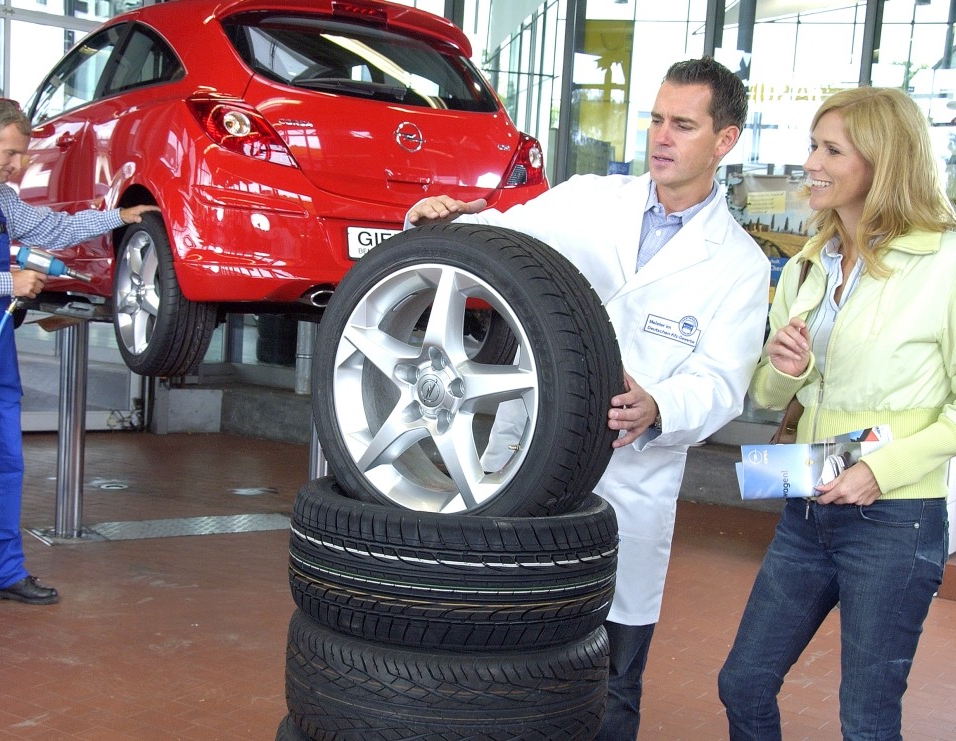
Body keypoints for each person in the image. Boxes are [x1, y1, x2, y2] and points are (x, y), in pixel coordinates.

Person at [406, 57, 771, 739]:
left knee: (611, 680)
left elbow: (722, 383)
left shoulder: (739, 265)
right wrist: (437, 221)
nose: (661, 136)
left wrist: (660, 405)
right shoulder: (587, 200)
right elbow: (493, 237)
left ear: (725, 140)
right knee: (498, 657)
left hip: (629, 482)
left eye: (683, 124)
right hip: (525, 460)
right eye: (656, 119)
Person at [718, 87, 955, 739]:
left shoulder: (943, 263)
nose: (811, 164)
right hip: (808, 504)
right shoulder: (807, 265)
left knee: (866, 719)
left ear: (884, 162)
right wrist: (784, 366)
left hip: (895, 519)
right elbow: (768, 396)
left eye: (831, 150)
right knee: (743, 683)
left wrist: (882, 470)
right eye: (812, 146)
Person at [0, 99, 158, 620]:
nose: (17, 165)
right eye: (11, 154)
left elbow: (49, 229)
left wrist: (118, 216)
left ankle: (3, 572)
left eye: (22, 156)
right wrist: (7, 282)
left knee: (4, 461)